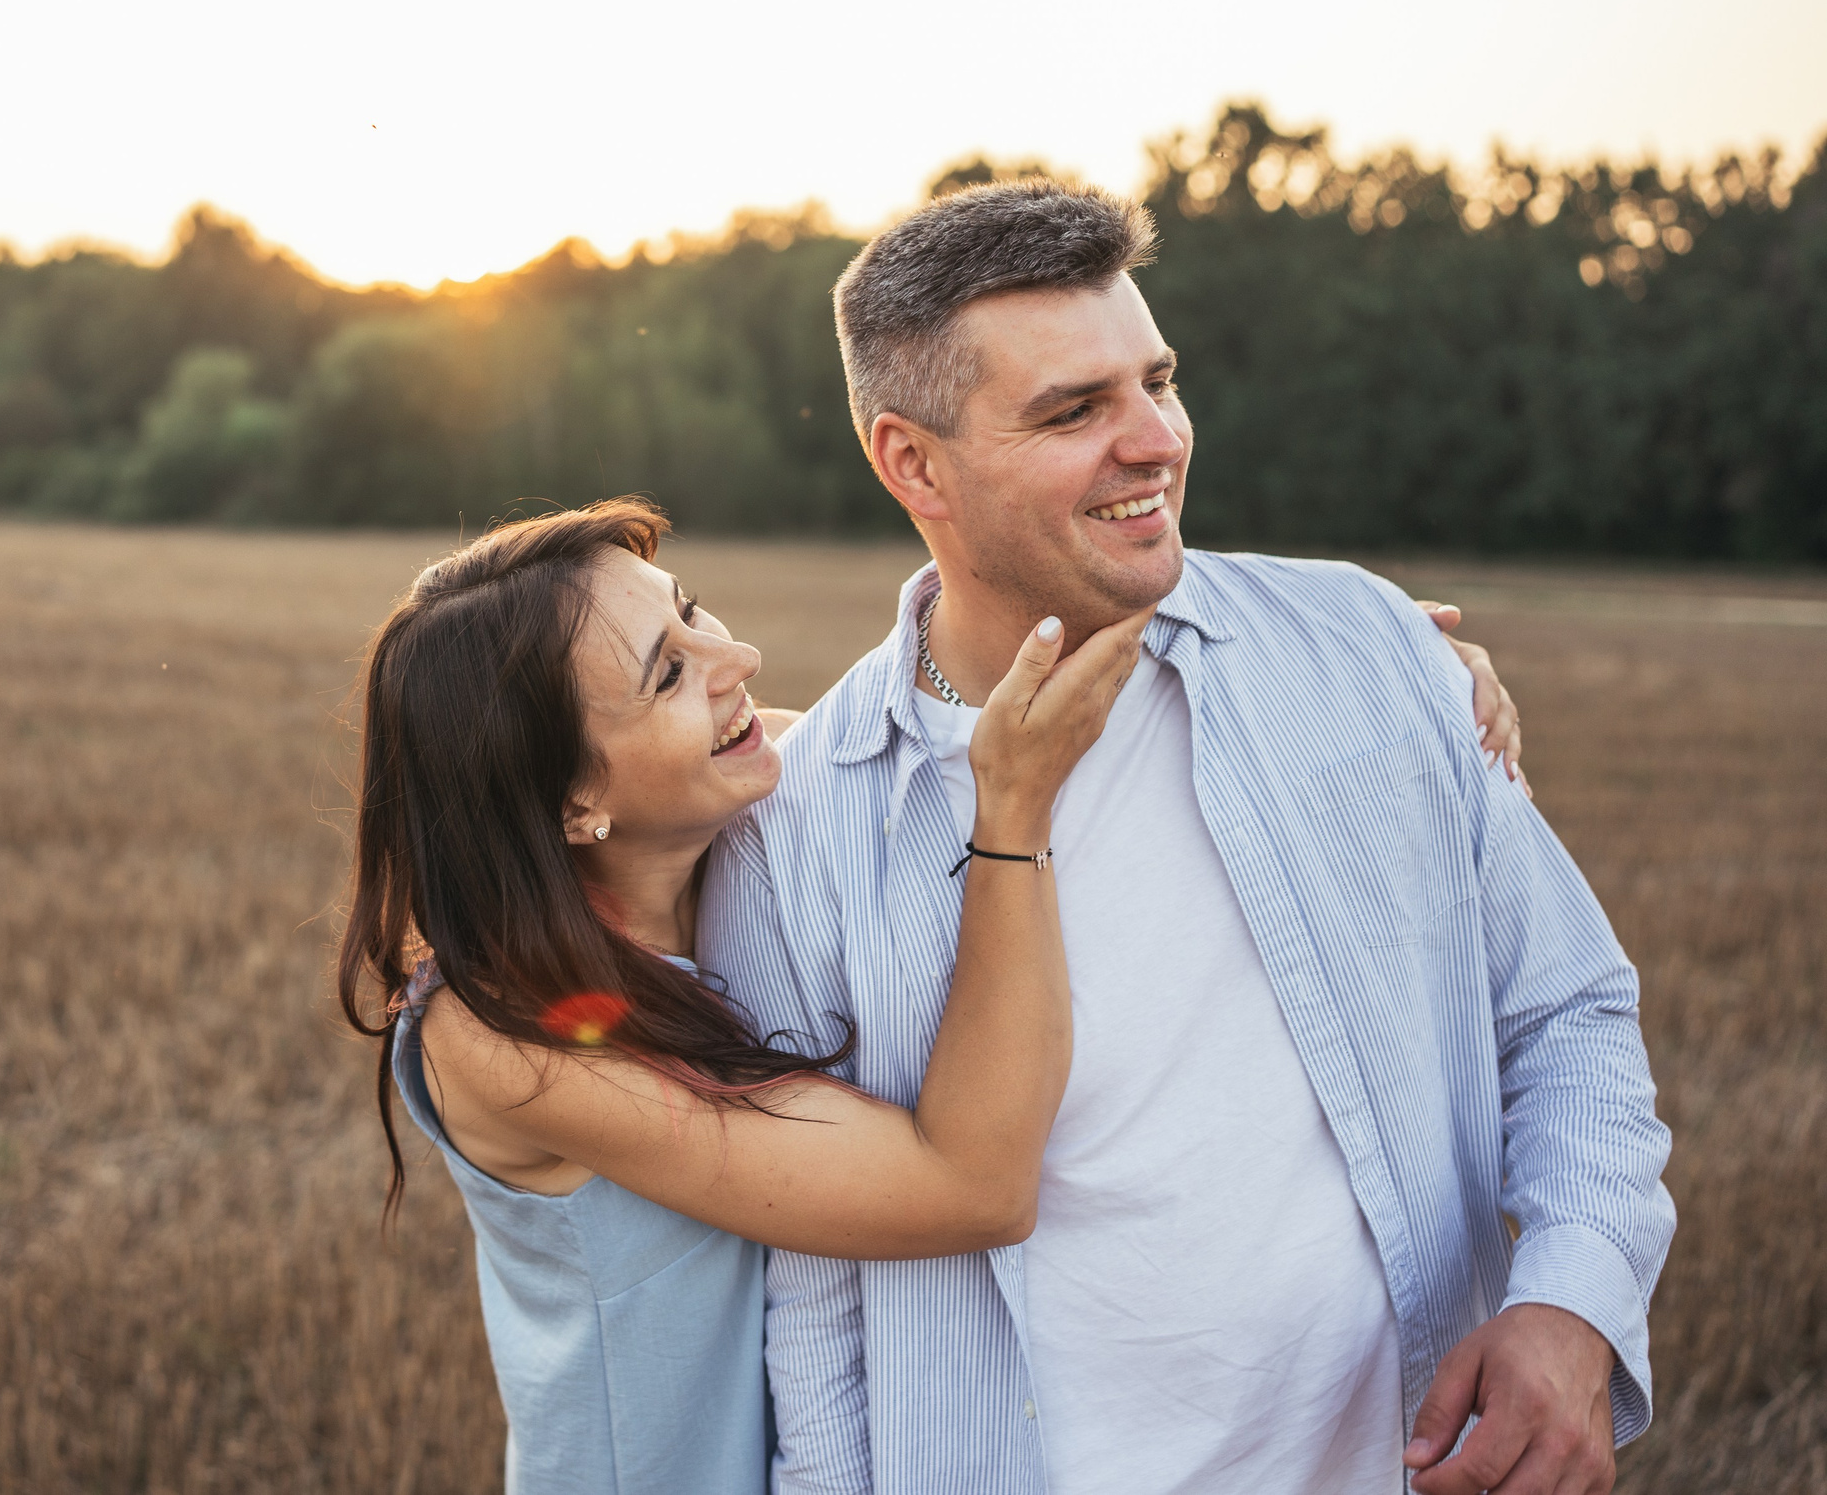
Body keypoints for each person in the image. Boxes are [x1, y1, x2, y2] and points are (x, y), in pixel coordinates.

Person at [699, 182, 1675, 1495]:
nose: (1155, 439)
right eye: (1073, 410)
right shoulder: (794, 835)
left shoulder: (1370, 650)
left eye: (1156, 381)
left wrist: (1572, 1305)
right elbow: (812, 1297)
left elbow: (1566, 1010)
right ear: (912, 462)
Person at [338, 497, 1527, 1495]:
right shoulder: (509, 1041)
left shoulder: (741, 798)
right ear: (568, 805)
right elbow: (973, 1186)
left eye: (693, 613)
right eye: (668, 673)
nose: (735, 663)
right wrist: (1010, 823)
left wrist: (1364, 664)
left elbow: (933, 727)